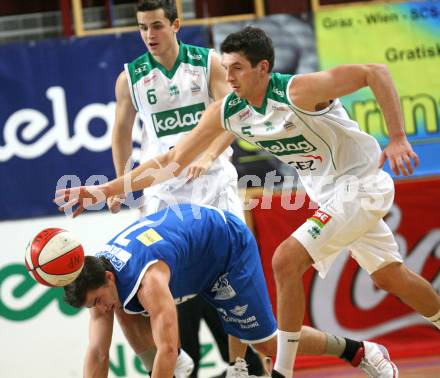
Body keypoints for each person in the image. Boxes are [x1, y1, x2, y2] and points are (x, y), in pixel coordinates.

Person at [54, 26, 440, 377]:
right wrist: (105, 191)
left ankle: (282, 372)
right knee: (389, 276)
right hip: (327, 193)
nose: (229, 77)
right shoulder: (228, 111)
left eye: (237, 68)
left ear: (262, 68)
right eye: (225, 68)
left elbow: (375, 72)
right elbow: (169, 162)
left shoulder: (298, 91)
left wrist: (397, 137)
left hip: (361, 184)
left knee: (285, 259)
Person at [63, 204, 399, 378]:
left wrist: (166, 362)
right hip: (189, 252)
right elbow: (98, 353)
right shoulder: (97, 279)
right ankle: (181, 366)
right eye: (93, 305)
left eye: (96, 301)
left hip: (226, 252)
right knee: (121, 306)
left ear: (108, 277)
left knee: (265, 343)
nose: (98, 309)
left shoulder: (149, 280)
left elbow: (166, 346)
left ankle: (360, 352)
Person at [107, 0, 253, 375]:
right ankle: (179, 361)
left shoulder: (207, 63)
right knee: (159, 283)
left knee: (232, 275)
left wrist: (207, 156)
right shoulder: (130, 77)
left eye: (156, 26)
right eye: (142, 28)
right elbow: (121, 132)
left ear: (175, 24)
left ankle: (238, 364)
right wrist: (124, 183)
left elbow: (231, 116)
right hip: (164, 188)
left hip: (213, 180)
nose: (149, 35)